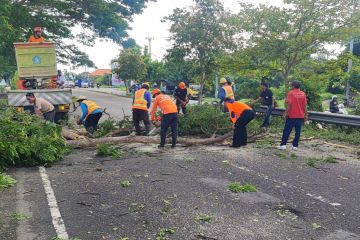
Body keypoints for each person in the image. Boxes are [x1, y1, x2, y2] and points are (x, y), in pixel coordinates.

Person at [278, 81, 308, 150]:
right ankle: (295, 146)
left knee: (287, 130)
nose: (291, 87)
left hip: (291, 116)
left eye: (291, 85)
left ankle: (283, 145)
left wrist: (285, 113)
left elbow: (289, 105)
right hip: (300, 116)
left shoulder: (291, 93)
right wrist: (306, 115)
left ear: (293, 86)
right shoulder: (303, 94)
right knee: (298, 132)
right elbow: (305, 106)